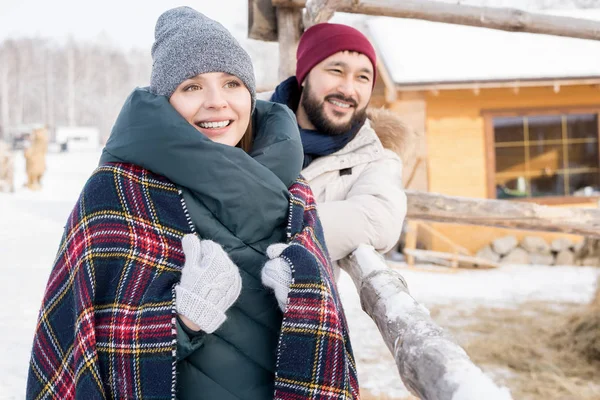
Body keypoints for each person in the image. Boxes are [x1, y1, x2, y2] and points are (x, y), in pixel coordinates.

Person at [26, 7, 358, 400]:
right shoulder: (116, 192)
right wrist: (182, 319)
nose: (217, 102)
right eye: (192, 87)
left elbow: (331, 326)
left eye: (232, 84)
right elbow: (81, 346)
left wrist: (306, 297)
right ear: (166, 100)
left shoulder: (293, 190)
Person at [261, 23, 410, 266]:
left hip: (304, 299)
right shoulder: (244, 120)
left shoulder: (375, 155)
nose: (348, 89)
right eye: (336, 71)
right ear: (305, 75)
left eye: (362, 77)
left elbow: (378, 220)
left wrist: (259, 229)